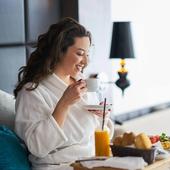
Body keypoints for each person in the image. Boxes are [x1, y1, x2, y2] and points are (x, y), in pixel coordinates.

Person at [14, 17, 114, 170]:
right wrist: (64, 104)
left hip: (93, 162)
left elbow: (98, 136)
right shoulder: (32, 92)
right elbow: (38, 147)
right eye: (80, 53)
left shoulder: (83, 84)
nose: (86, 62)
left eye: (87, 54)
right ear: (59, 51)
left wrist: (104, 119)